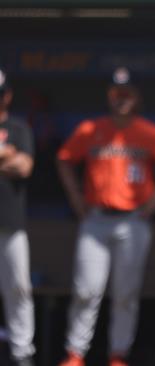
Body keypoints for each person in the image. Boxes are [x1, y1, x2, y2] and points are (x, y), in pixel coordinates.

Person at [56, 67, 155, 366]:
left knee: (125, 293)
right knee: (86, 290)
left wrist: (154, 202)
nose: (121, 100)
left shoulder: (150, 132)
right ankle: (75, 353)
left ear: (136, 97)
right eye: (117, 94)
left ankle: (118, 354)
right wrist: (76, 197)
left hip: (133, 220)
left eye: (127, 94)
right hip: (96, 219)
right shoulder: (91, 129)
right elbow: (64, 159)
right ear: (109, 97)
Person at [0, 69, 36, 366]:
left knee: (18, 287)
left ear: (7, 95)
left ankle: (22, 353)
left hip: (11, 222)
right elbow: (13, 161)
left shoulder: (18, 127)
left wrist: (12, 156)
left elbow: (24, 167)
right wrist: (5, 155)